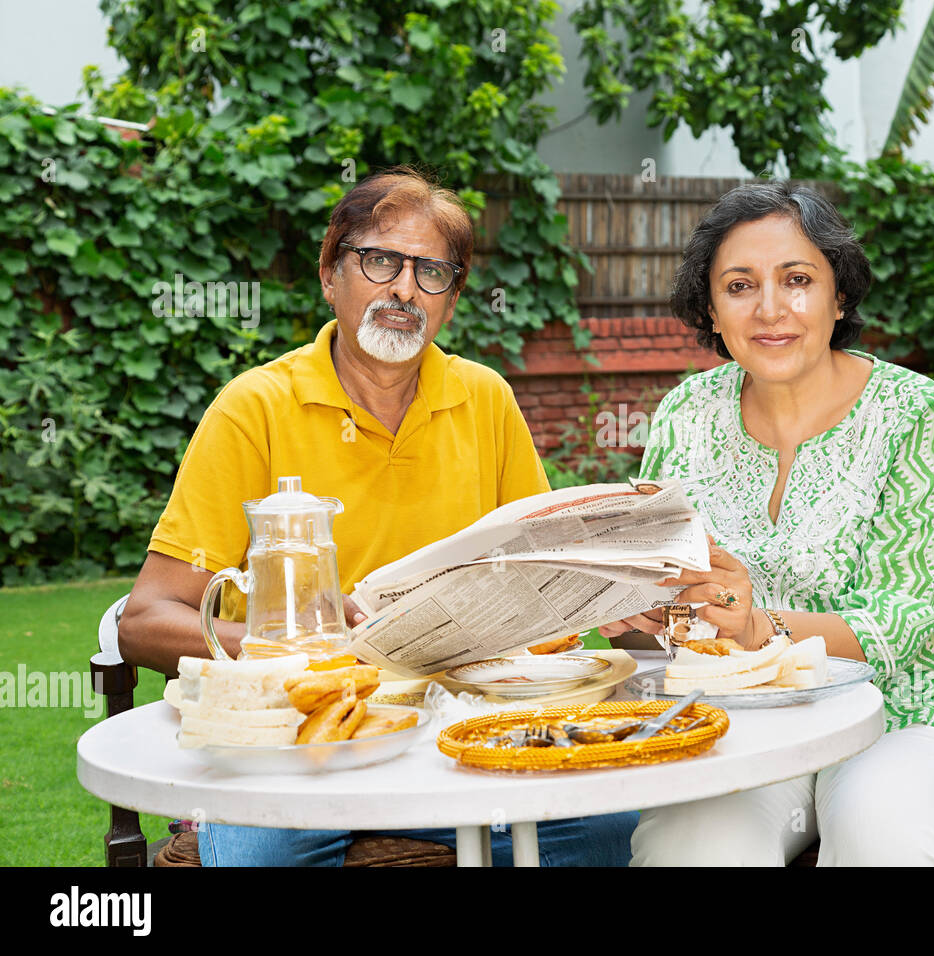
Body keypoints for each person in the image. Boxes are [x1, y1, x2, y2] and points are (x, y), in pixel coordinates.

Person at [118, 166, 637, 866]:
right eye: (381, 260)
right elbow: (145, 622)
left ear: (452, 298)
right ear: (332, 274)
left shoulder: (485, 400)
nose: (403, 288)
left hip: (466, 732)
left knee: (614, 826)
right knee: (253, 858)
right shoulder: (254, 409)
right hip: (305, 743)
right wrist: (298, 651)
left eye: (432, 272)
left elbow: (544, 595)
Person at [599, 181, 934, 866]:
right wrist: (640, 609)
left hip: (911, 713)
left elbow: (907, 617)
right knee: (692, 848)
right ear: (710, 307)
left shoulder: (911, 412)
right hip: (747, 720)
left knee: (879, 829)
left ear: (839, 295)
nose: (771, 309)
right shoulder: (685, 415)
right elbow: (676, 601)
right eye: (739, 286)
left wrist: (761, 628)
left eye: (797, 280)